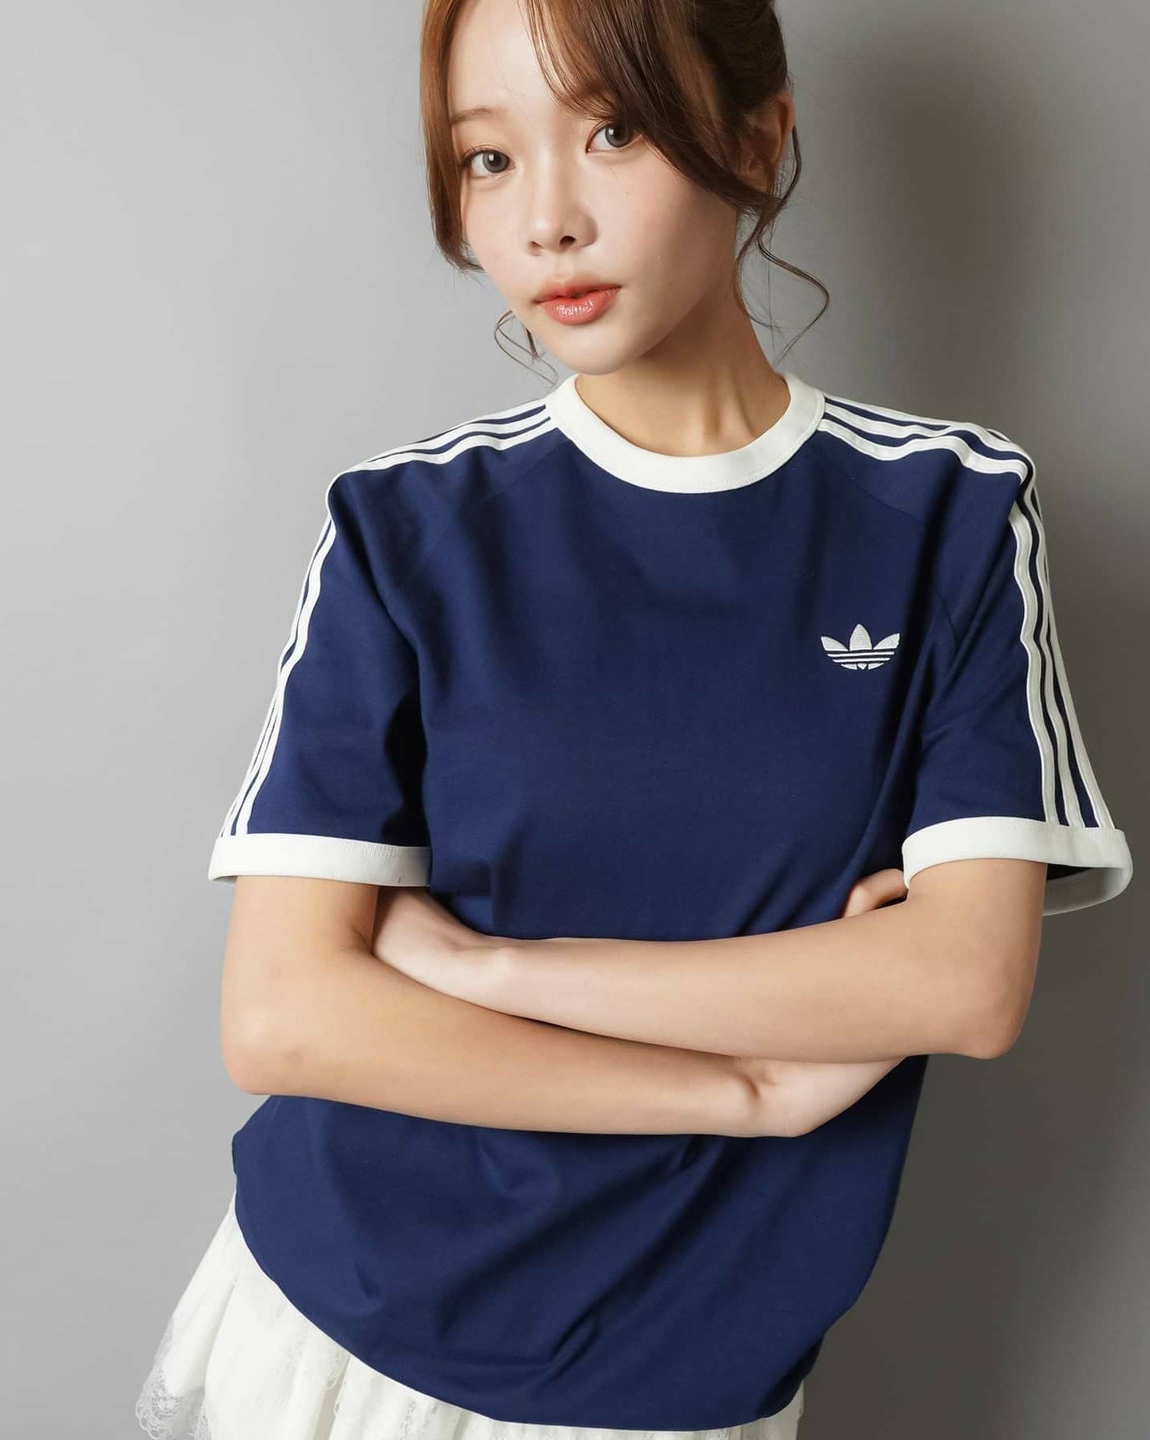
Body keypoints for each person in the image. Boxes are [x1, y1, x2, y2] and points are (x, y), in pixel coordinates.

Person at [135, 0, 1134, 1437]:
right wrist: (749, 1092)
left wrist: (491, 970)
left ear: (758, 136)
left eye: (612, 132)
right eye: (487, 160)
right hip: (337, 1331)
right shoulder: (406, 529)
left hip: (684, 1384)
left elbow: (965, 983)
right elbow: (286, 1019)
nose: (547, 220)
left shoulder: (949, 514)